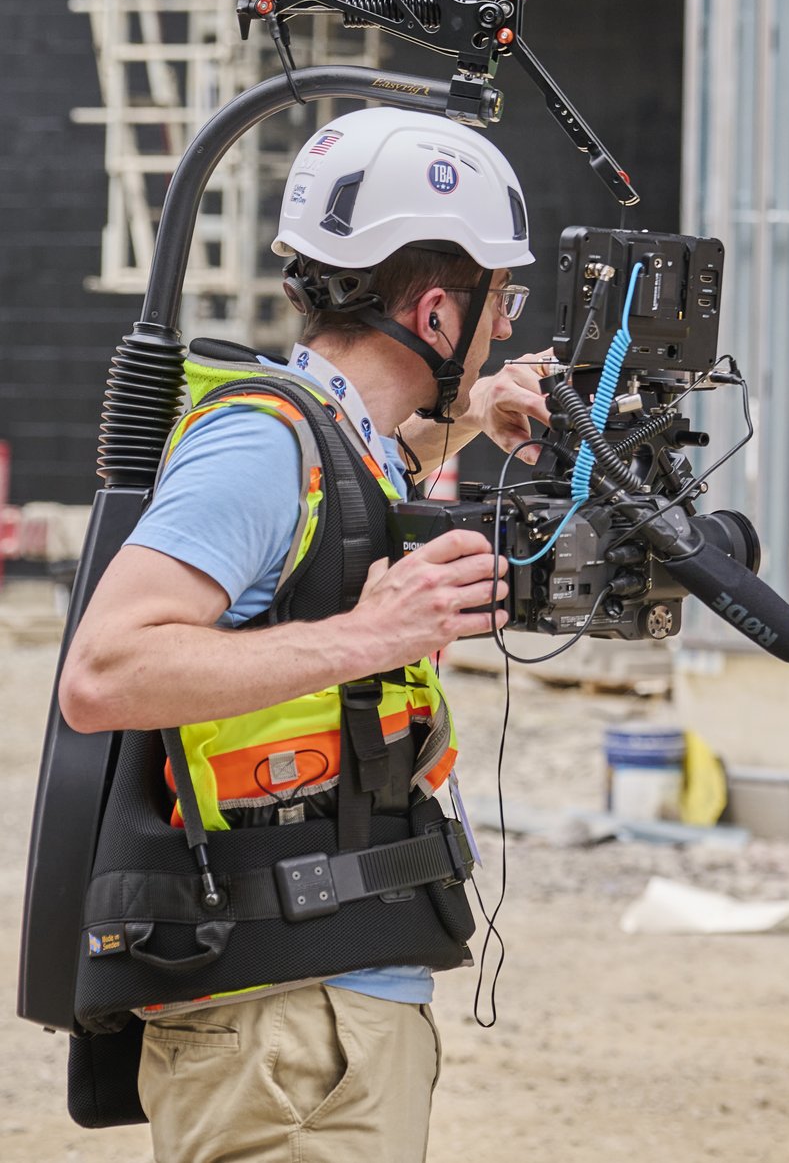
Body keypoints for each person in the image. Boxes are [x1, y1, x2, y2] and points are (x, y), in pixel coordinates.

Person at [58, 107, 556, 1163]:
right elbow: (104, 671)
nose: (505, 330)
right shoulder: (259, 442)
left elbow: (353, 499)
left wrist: (476, 413)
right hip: (280, 1023)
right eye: (501, 302)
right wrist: (372, 634)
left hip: (317, 999)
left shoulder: (337, 440)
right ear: (436, 311)